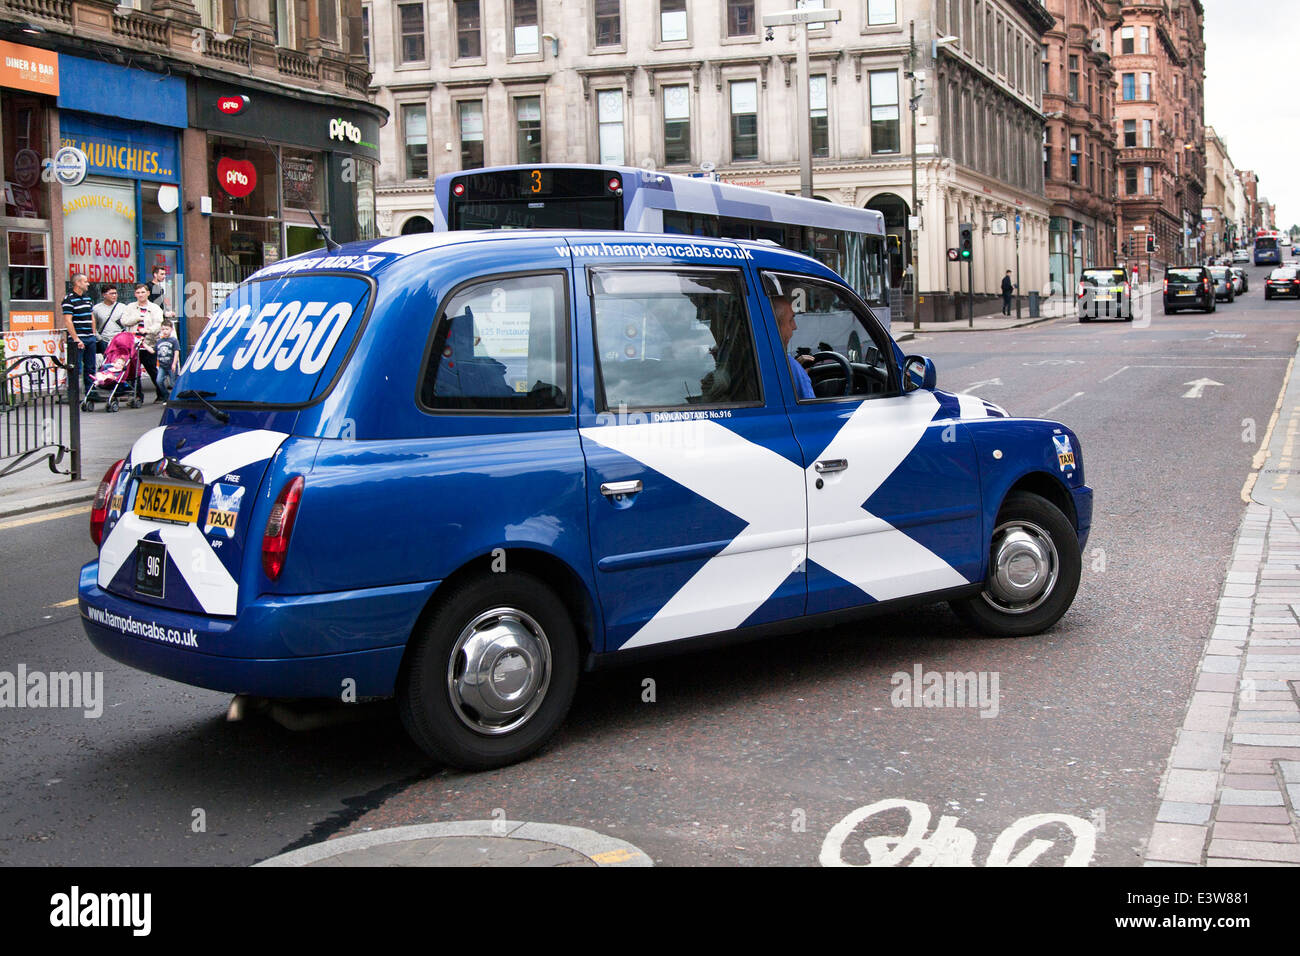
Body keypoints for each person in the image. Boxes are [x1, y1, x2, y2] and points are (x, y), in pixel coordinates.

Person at [772, 294, 815, 400]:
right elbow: (809, 411)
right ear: (775, 326)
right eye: (791, 320)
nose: (794, 326)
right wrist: (799, 376)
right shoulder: (792, 368)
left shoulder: (749, 358)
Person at [130, 283, 167, 402]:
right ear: (135, 294)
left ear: (148, 293)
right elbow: (124, 320)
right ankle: (138, 396)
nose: (140, 295)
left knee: (152, 369)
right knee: (134, 372)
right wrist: (137, 319)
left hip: (149, 342)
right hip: (134, 343)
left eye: (143, 292)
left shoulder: (155, 308)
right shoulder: (130, 307)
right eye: (138, 292)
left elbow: (158, 324)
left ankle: (161, 394)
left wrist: (148, 330)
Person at [60, 273, 96, 391]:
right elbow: (68, 321)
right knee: (76, 368)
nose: (88, 284)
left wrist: (93, 334)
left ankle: (90, 392)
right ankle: (73, 395)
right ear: (78, 283)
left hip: (89, 337)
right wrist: (75, 338)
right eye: (85, 281)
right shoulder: (69, 299)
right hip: (78, 338)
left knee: (91, 367)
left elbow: (91, 317)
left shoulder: (87, 298)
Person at [154, 322, 179, 396]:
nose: (164, 331)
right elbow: (153, 350)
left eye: (167, 329)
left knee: (173, 383)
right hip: (162, 366)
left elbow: (176, 352)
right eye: (163, 329)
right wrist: (144, 344)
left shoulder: (174, 340)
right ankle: (166, 396)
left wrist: (174, 364)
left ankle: (175, 397)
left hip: (171, 365)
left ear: (171, 329)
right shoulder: (159, 341)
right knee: (159, 381)